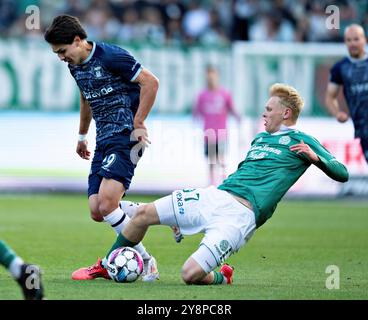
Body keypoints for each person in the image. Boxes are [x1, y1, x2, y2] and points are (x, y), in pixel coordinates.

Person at [87, 83, 349, 285]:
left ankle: (223, 276)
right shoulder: (259, 139)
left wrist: (316, 159)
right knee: (143, 215)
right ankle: (111, 266)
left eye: (269, 109)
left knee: (189, 275)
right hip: (217, 196)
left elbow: (342, 172)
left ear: (286, 113)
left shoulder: (302, 140)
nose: (263, 114)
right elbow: (244, 171)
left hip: (240, 217)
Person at [44, 14, 160, 281]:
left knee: (108, 205)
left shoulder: (111, 56)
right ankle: (163, 212)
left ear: (78, 41)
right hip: (103, 139)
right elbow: (86, 97)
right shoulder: (74, 66)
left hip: (127, 137)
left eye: (62, 51)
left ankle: (146, 259)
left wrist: (139, 121)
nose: (61, 57)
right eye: (56, 54)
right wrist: (82, 134)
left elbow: (150, 82)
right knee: (97, 210)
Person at [325, 23, 368, 163]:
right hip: (363, 129)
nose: (353, 43)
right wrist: (337, 113)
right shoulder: (340, 68)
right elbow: (330, 97)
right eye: (349, 40)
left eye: (356, 39)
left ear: (364, 40)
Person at [193, 65, 241, 186]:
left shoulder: (224, 94)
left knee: (221, 158)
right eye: (208, 76)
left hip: (221, 133)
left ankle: (224, 181)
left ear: (217, 77)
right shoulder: (202, 95)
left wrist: (238, 117)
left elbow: (232, 108)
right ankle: (211, 183)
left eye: (213, 76)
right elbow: (196, 112)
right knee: (211, 160)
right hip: (208, 134)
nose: (211, 79)